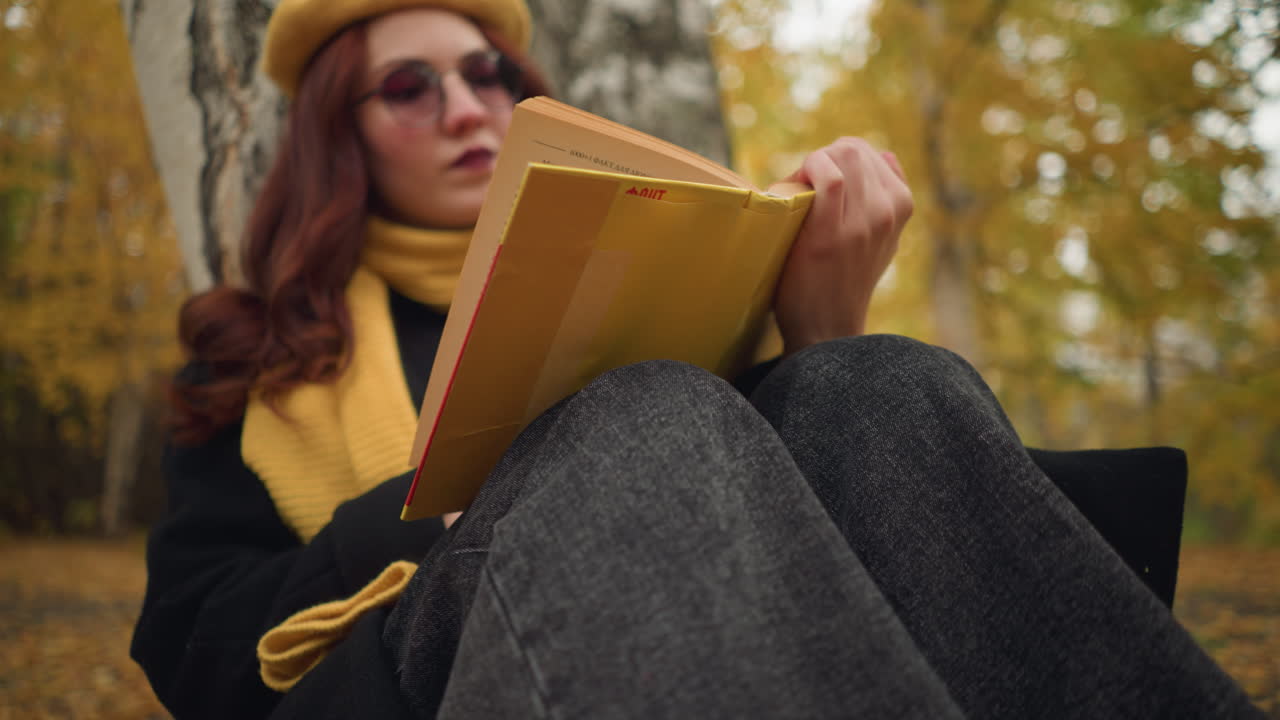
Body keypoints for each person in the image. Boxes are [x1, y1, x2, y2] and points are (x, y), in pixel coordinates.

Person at [129, 0, 1264, 718]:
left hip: (736, 626)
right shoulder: (256, 353)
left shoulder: (649, 278)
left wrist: (820, 328)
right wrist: (449, 497)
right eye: (410, 86)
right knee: (638, 412)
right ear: (340, 129)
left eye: (488, 71)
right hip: (431, 663)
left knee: (880, 381)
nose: (471, 107)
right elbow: (194, 648)